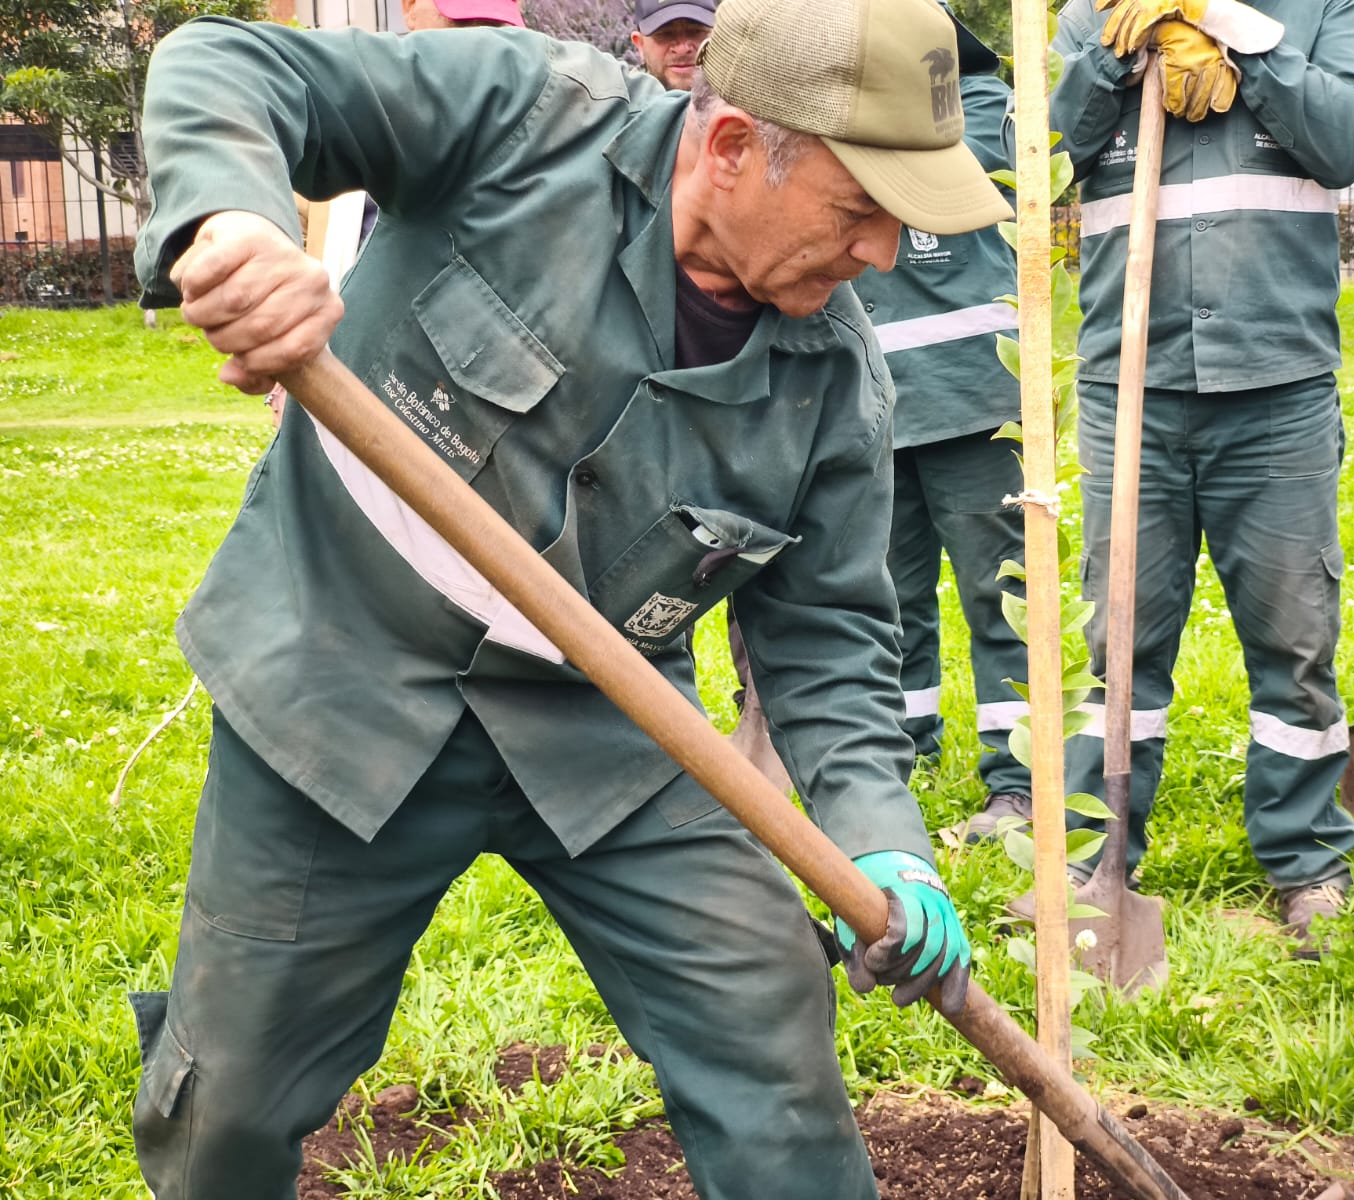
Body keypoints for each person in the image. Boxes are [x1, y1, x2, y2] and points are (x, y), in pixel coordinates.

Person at [127, 0, 1010, 1196]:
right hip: (337, 683)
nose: (881, 257)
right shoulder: (524, 120)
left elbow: (828, 639)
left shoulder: (832, 383)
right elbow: (225, 61)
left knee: (765, 1012)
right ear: (737, 145)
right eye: (860, 212)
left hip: (608, 731)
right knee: (227, 1098)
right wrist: (232, 222)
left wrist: (884, 846)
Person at [1034, 0, 1354, 950]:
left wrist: (1249, 37)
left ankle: (1306, 857)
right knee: (1118, 636)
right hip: (1132, 384)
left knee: (1294, 639)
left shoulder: (1315, 9)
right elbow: (1035, 153)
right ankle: (1095, 847)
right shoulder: (1095, 16)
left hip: (1277, 383)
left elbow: (1353, 139)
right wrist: (1117, 62)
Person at [852, 5, 1032, 841]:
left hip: (972, 406)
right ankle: (901, 756)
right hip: (878, 410)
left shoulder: (992, 113)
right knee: (889, 602)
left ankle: (1018, 781)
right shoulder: (856, 122)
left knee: (1002, 598)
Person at [263, 0, 525, 422]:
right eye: (461, 21)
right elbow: (293, 244)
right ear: (410, 10)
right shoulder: (348, 116)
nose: (478, 44)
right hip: (332, 390)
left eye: (491, 24)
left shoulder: (524, 143)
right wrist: (288, 371)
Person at [632, 0, 716, 91]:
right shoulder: (621, 102)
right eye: (665, 34)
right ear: (640, 44)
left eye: (695, 31)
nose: (682, 49)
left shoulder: (732, 95)